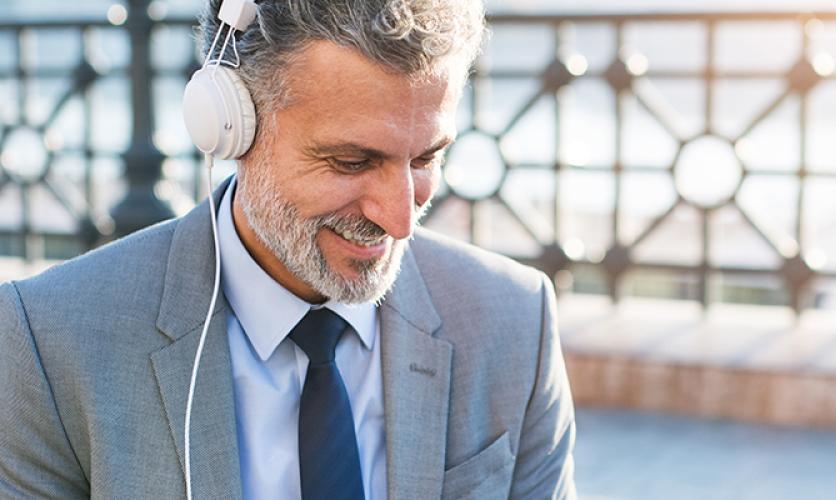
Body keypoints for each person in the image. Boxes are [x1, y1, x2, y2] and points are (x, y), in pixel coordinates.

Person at [0, 0, 576, 498]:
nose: (400, 218)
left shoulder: (516, 322)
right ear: (231, 126)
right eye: (352, 161)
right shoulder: (48, 346)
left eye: (425, 158)